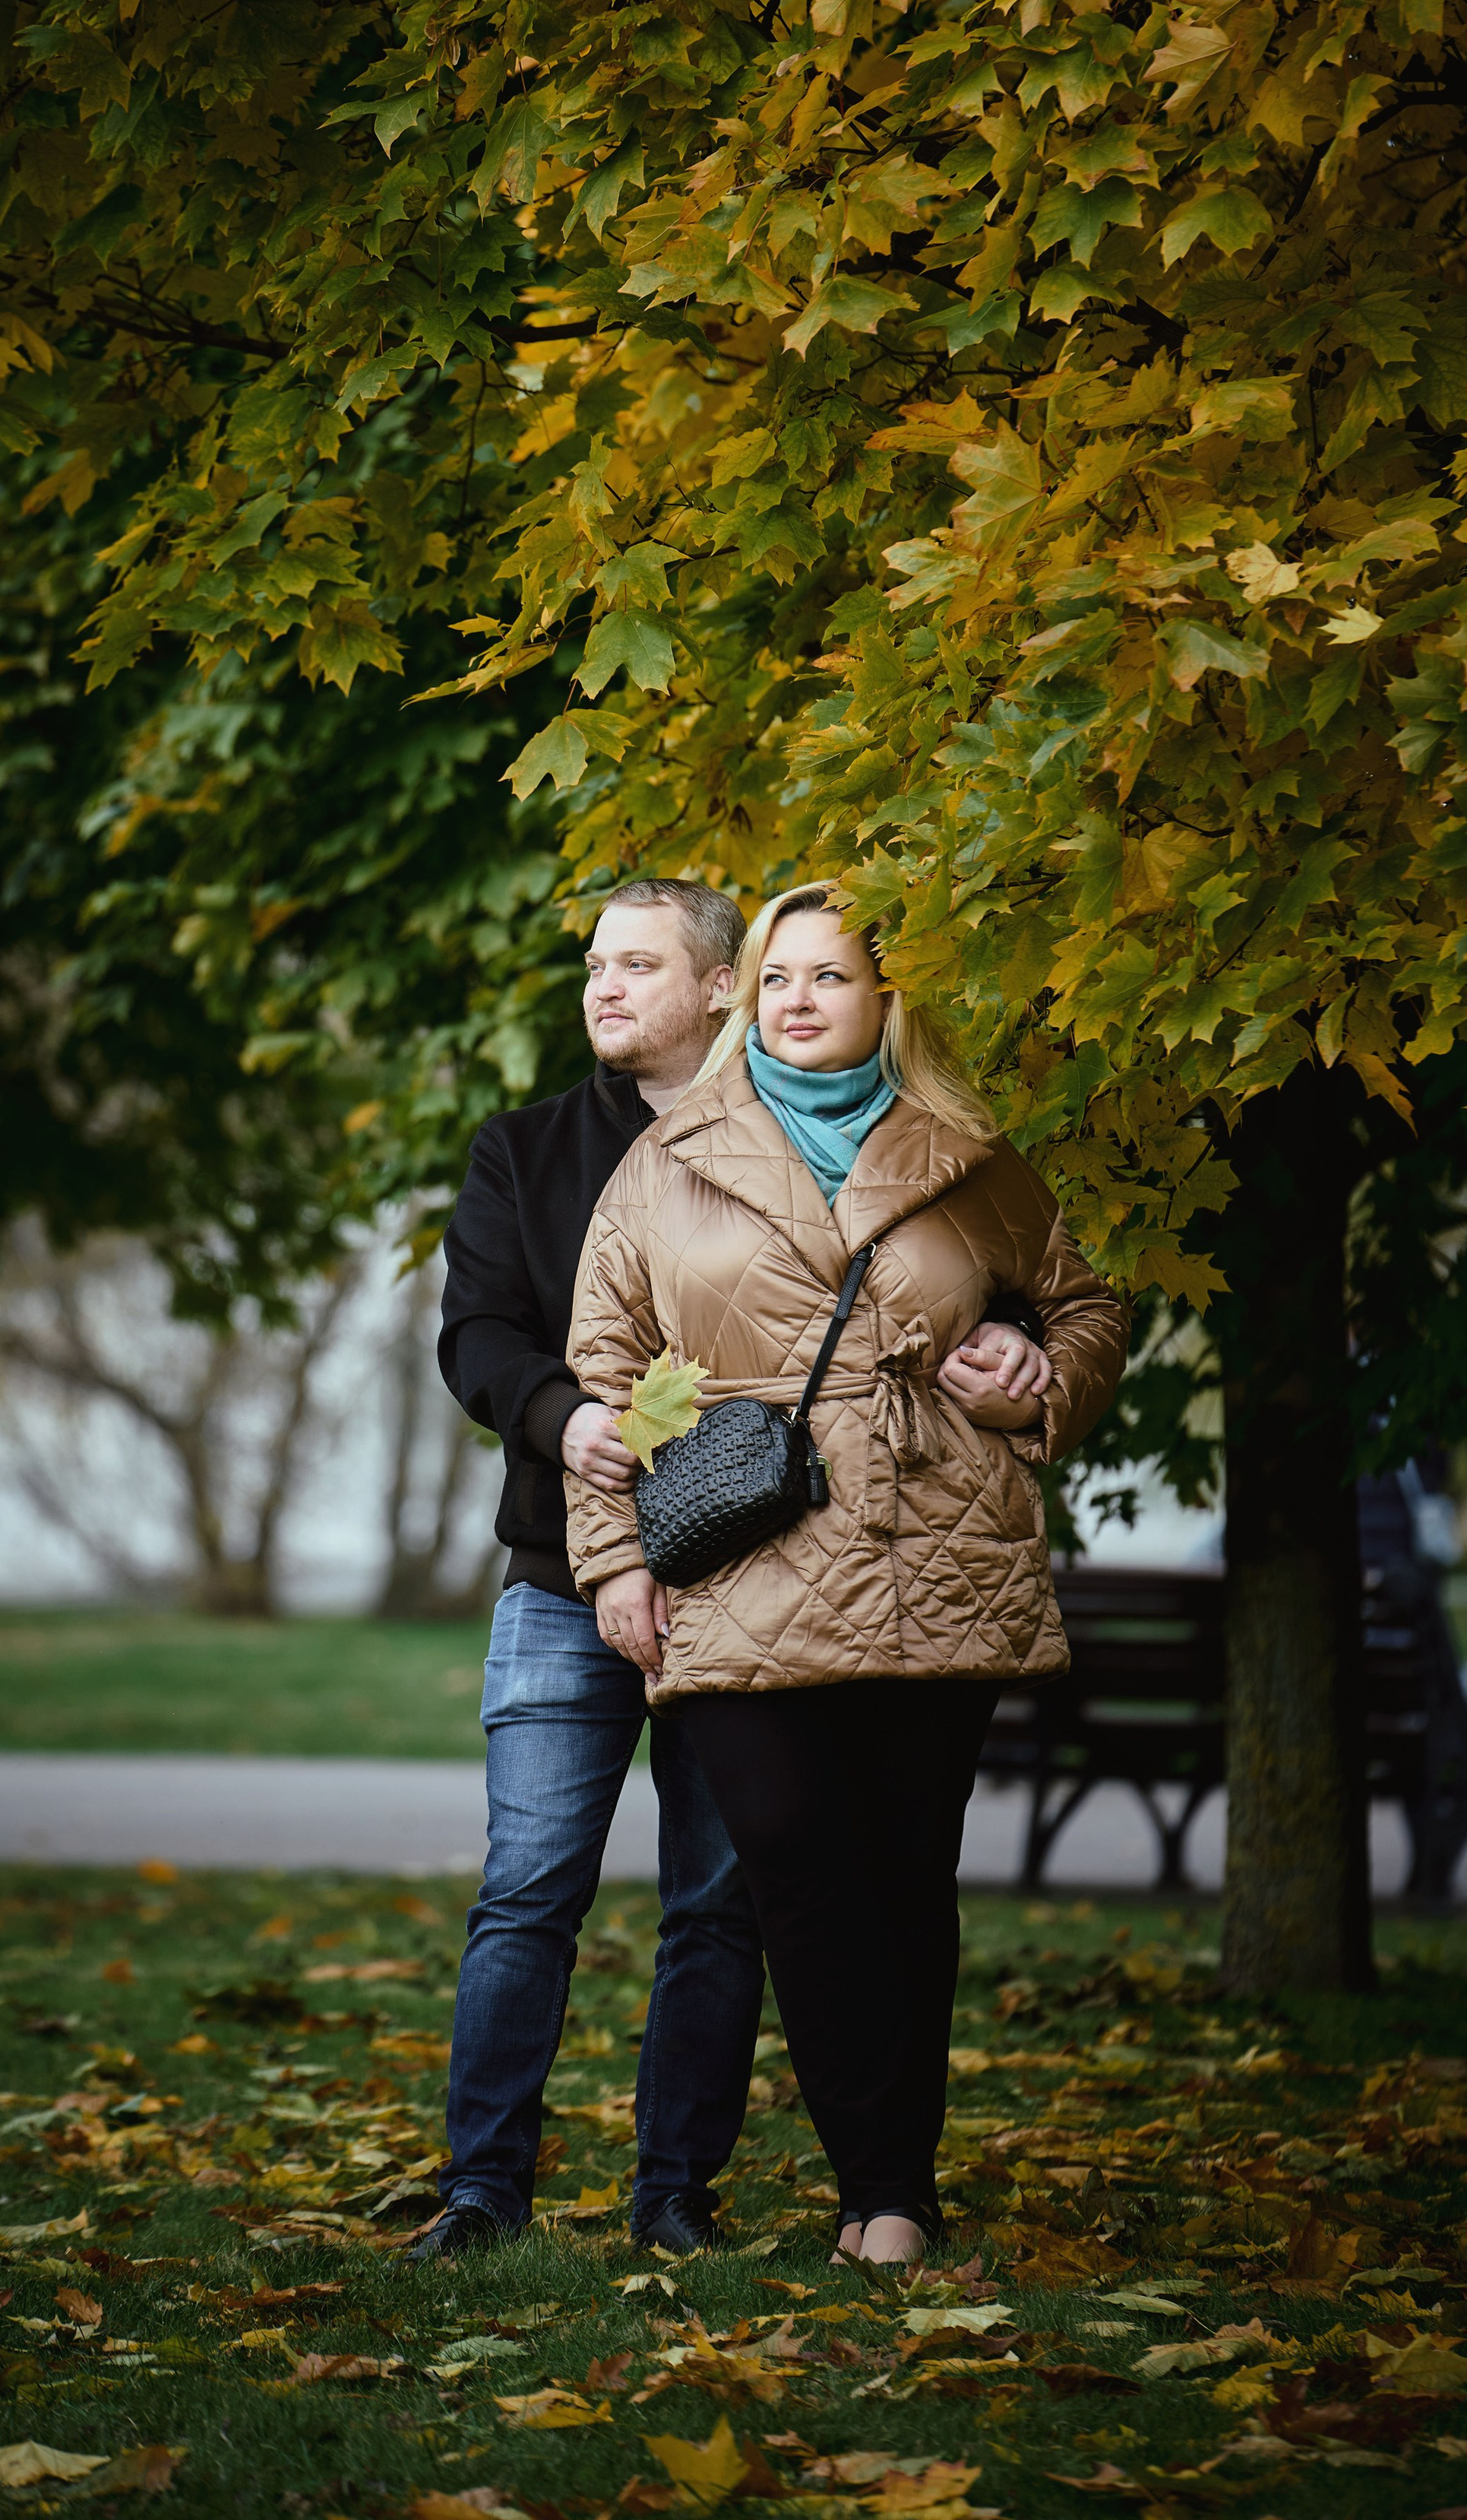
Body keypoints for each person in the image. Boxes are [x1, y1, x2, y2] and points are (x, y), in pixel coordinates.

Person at [566, 882, 1128, 2266]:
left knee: (900, 1881)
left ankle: (890, 2196)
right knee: (799, 1874)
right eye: (776, 977)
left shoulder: (972, 1156)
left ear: (889, 999)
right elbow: (607, 1374)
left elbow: (1090, 1302)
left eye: (830, 976)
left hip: (936, 1550)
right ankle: (882, 2177)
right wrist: (614, 1562)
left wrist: (1042, 1369)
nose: (799, 998)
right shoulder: (669, 1158)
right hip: (742, 1558)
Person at [417, 879, 762, 2262]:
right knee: (528, 1891)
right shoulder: (527, 1149)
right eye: (594, 964)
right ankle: (480, 2193)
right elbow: (476, 1334)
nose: (603, 986)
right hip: (561, 1580)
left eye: (638, 962)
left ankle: (675, 2195)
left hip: (750, 1582)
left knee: (717, 1906)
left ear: (720, 985)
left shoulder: (784, 1147)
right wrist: (572, 1422)